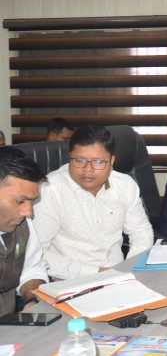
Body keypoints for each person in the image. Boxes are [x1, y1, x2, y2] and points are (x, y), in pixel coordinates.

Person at [32, 126, 153, 280]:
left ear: (112, 161)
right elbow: (38, 252)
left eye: (98, 162)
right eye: (79, 160)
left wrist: (131, 267)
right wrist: (98, 272)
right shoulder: (50, 190)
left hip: (119, 277)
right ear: (69, 157)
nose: (87, 169)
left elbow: (141, 231)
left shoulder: (124, 185)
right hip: (70, 281)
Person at [0, 147, 48, 316]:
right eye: (20, 201)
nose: (28, 212)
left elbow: (31, 268)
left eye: (31, 202)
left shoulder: (23, 224)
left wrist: (31, 300)